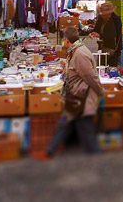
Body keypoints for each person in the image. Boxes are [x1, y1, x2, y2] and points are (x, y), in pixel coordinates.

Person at [45, 27, 103, 157]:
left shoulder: (80, 54)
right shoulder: (76, 51)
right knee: (67, 126)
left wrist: (100, 91)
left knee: (84, 131)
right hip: (77, 97)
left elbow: (91, 77)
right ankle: (50, 151)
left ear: (66, 40)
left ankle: (50, 151)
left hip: (81, 98)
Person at [90, 1, 123, 67]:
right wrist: (93, 33)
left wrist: (100, 35)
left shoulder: (115, 19)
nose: (103, 15)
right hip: (103, 47)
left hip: (114, 48)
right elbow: (97, 29)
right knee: (101, 67)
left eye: (105, 13)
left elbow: (113, 34)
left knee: (111, 68)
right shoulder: (101, 18)